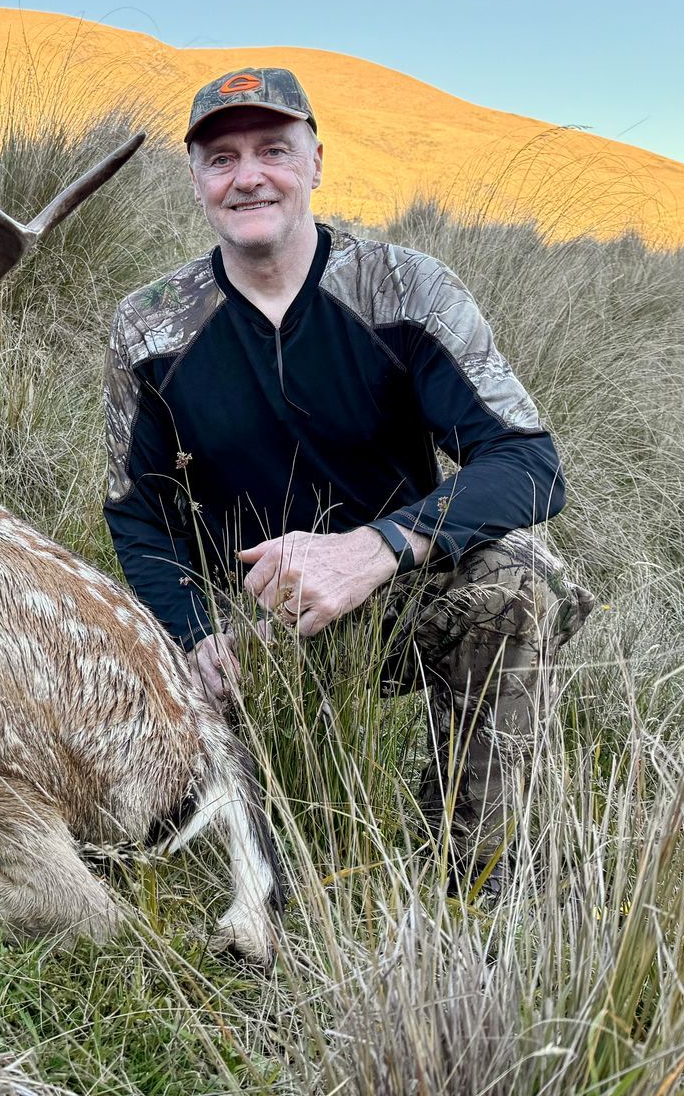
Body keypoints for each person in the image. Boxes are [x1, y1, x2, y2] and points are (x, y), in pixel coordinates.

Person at [102, 66, 594, 878]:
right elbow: (136, 511)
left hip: (391, 597)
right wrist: (194, 636)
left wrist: (377, 548)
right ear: (196, 182)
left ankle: (473, 867)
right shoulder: (151, 326)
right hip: (249, 631)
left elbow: (528, 462)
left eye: (273, 150)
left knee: (523, 576)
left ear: (316, 162)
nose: (248, 176)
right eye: (221, 159)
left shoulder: (405, 288)